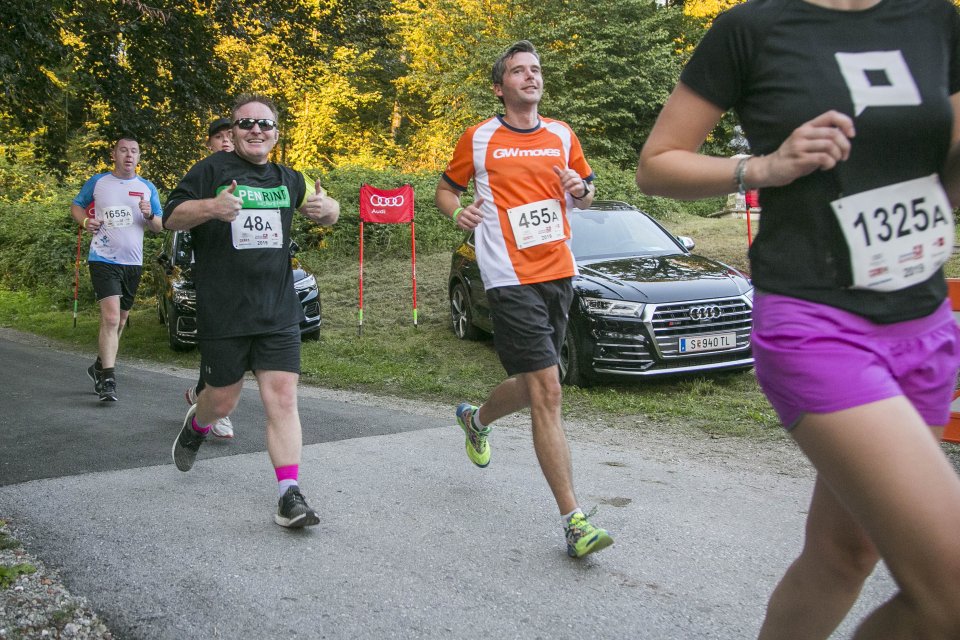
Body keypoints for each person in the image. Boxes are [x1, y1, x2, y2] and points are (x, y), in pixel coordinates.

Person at [636, 1, 960, 638]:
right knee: (950, 593)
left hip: (923, 321)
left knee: (843, 557)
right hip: (816, 324)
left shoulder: (937, 20)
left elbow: (948, 176)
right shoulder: (751, 29)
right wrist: (764, 168)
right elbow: (657, 164)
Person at [435, 40, 613, 558]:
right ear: (500, 86)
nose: (531, 77)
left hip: (558, 269)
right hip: (508, 276)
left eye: (535, 70)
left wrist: (579, 189)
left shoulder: (562, 134)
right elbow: (445, 190)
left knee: (541, 382)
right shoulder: (480, 137)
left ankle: (476, 418)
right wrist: (457, 213)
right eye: (519, 71)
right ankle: (574, 520)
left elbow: (586, 192)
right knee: (549, 392)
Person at [164, 94, 340, 528]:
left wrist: (327, 210)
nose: (256, 130)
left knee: (282, 398)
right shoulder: (210, 171)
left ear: (276, 133)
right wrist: (212, 208)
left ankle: (289, 495)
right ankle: (199, 424)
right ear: (234, 131)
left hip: (277, 308)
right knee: (222, 400)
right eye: (246, 124)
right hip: (225, 309)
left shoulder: (288, 177)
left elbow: (329, 210)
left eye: (265, 124)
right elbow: (171, 216)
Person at [71, 136, 164, 402]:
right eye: (123, 150)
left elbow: (158, 226)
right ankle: (108, 379)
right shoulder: (99, 182)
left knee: (121, 320)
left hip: (132, 262)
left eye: (134, 151)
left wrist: (149, 215)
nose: (129, 155)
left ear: (138, 157)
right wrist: (85, 221)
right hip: (103, 258)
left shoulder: (147, 188)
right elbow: (76, 206)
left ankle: (99, 365)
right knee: (111, 318)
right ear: (114, 154)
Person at [182, 116, 239, 439]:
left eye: (230, 135)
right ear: (210, 144)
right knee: (219, 339)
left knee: (239, 340)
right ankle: (216, 408)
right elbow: (178, 213)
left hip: (247, 271)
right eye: (219, 137)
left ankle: (203, 394)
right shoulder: (203, 173)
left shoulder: (254, 172)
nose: (226, 141)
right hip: (211, 269)